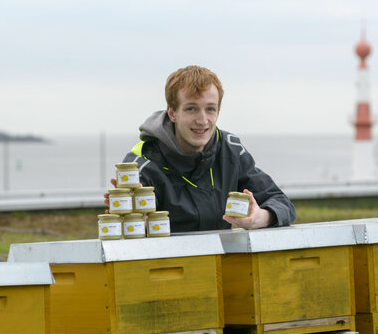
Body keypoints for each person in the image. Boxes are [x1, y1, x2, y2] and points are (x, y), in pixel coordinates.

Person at [106, 65, 295, 232]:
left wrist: (260, 217)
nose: (202, 121)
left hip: (223, 267)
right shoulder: (140, 163)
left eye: (210, 109)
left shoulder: (231, 150)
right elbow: (133, 226)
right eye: (191, 109)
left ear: (219, 111)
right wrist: (138, 218)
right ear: (172, 112)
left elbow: (282, 203)